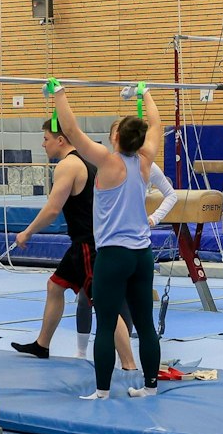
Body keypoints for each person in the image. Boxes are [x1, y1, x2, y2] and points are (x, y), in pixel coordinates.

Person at [50, 81, 163, 400]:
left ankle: (101, 391)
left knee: (107, 321)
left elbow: (70, 129)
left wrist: (58, 92)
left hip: (114, 256)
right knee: (144, 322)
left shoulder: (107, 161)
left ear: (115, 138)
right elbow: (157, 124)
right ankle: (150, 387)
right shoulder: (145, 159)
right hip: (142, 255)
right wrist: (145, 92)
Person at [11, 117, 132, 369]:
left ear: (60, 139)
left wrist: (27, 232)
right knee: (55, 286)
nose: (43, 145)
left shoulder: (67, 166)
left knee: (104, 304)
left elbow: (53, 209)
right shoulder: (87, 162)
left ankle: (129, 363)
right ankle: (42, 344)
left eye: (46, 139)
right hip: (83, 242)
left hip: (89, 245)